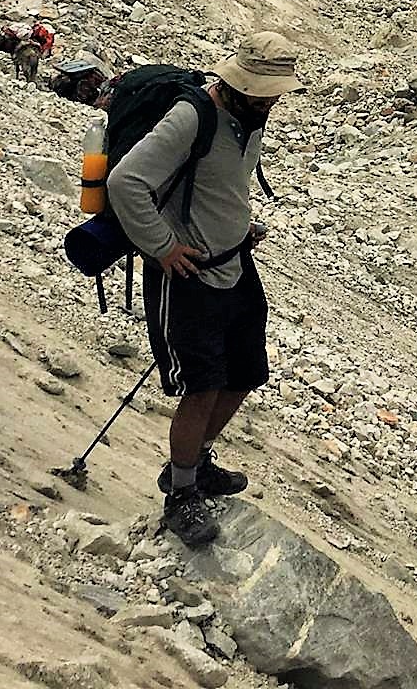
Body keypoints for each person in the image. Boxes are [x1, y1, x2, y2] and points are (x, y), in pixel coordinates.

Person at [106, 30, 303, 547]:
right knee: (201, 386)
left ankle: (193, 464)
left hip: (235, 264)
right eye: (263, 92)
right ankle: (183, 495)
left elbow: (222, 187)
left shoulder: (248, 121)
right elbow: (126, 182)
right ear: (237, 83)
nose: (270, 102)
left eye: (274, 94)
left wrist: (240, 226)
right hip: (188, 275)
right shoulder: (192, 118)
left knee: (243, 374)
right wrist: (163, 247)